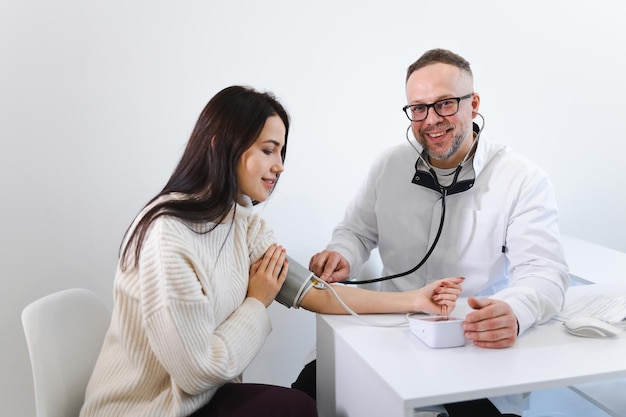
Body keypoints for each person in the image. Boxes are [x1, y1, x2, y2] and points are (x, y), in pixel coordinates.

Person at [79, 85, 464, 417]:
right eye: (268, 150)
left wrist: (417, 299)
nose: (279, 166)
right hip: (148, 408)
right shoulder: (169, 236)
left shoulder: (241, 223)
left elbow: (314, 292)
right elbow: (197, 371)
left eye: (282, 152)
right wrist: (256, 300)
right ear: (222, 146)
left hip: (197, 401)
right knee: (296, 408)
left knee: (301, 404)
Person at [293, 49, 570, 417]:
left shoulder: (522, 178)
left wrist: (515, 312)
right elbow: (356, 231)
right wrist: (341, 253)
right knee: (299, 402)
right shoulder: (388, 165)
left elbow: (545, 272)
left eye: (445, 104)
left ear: (474, 103)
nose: (431, 120)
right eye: (418, 108)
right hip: (386, 331)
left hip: (468, 344)